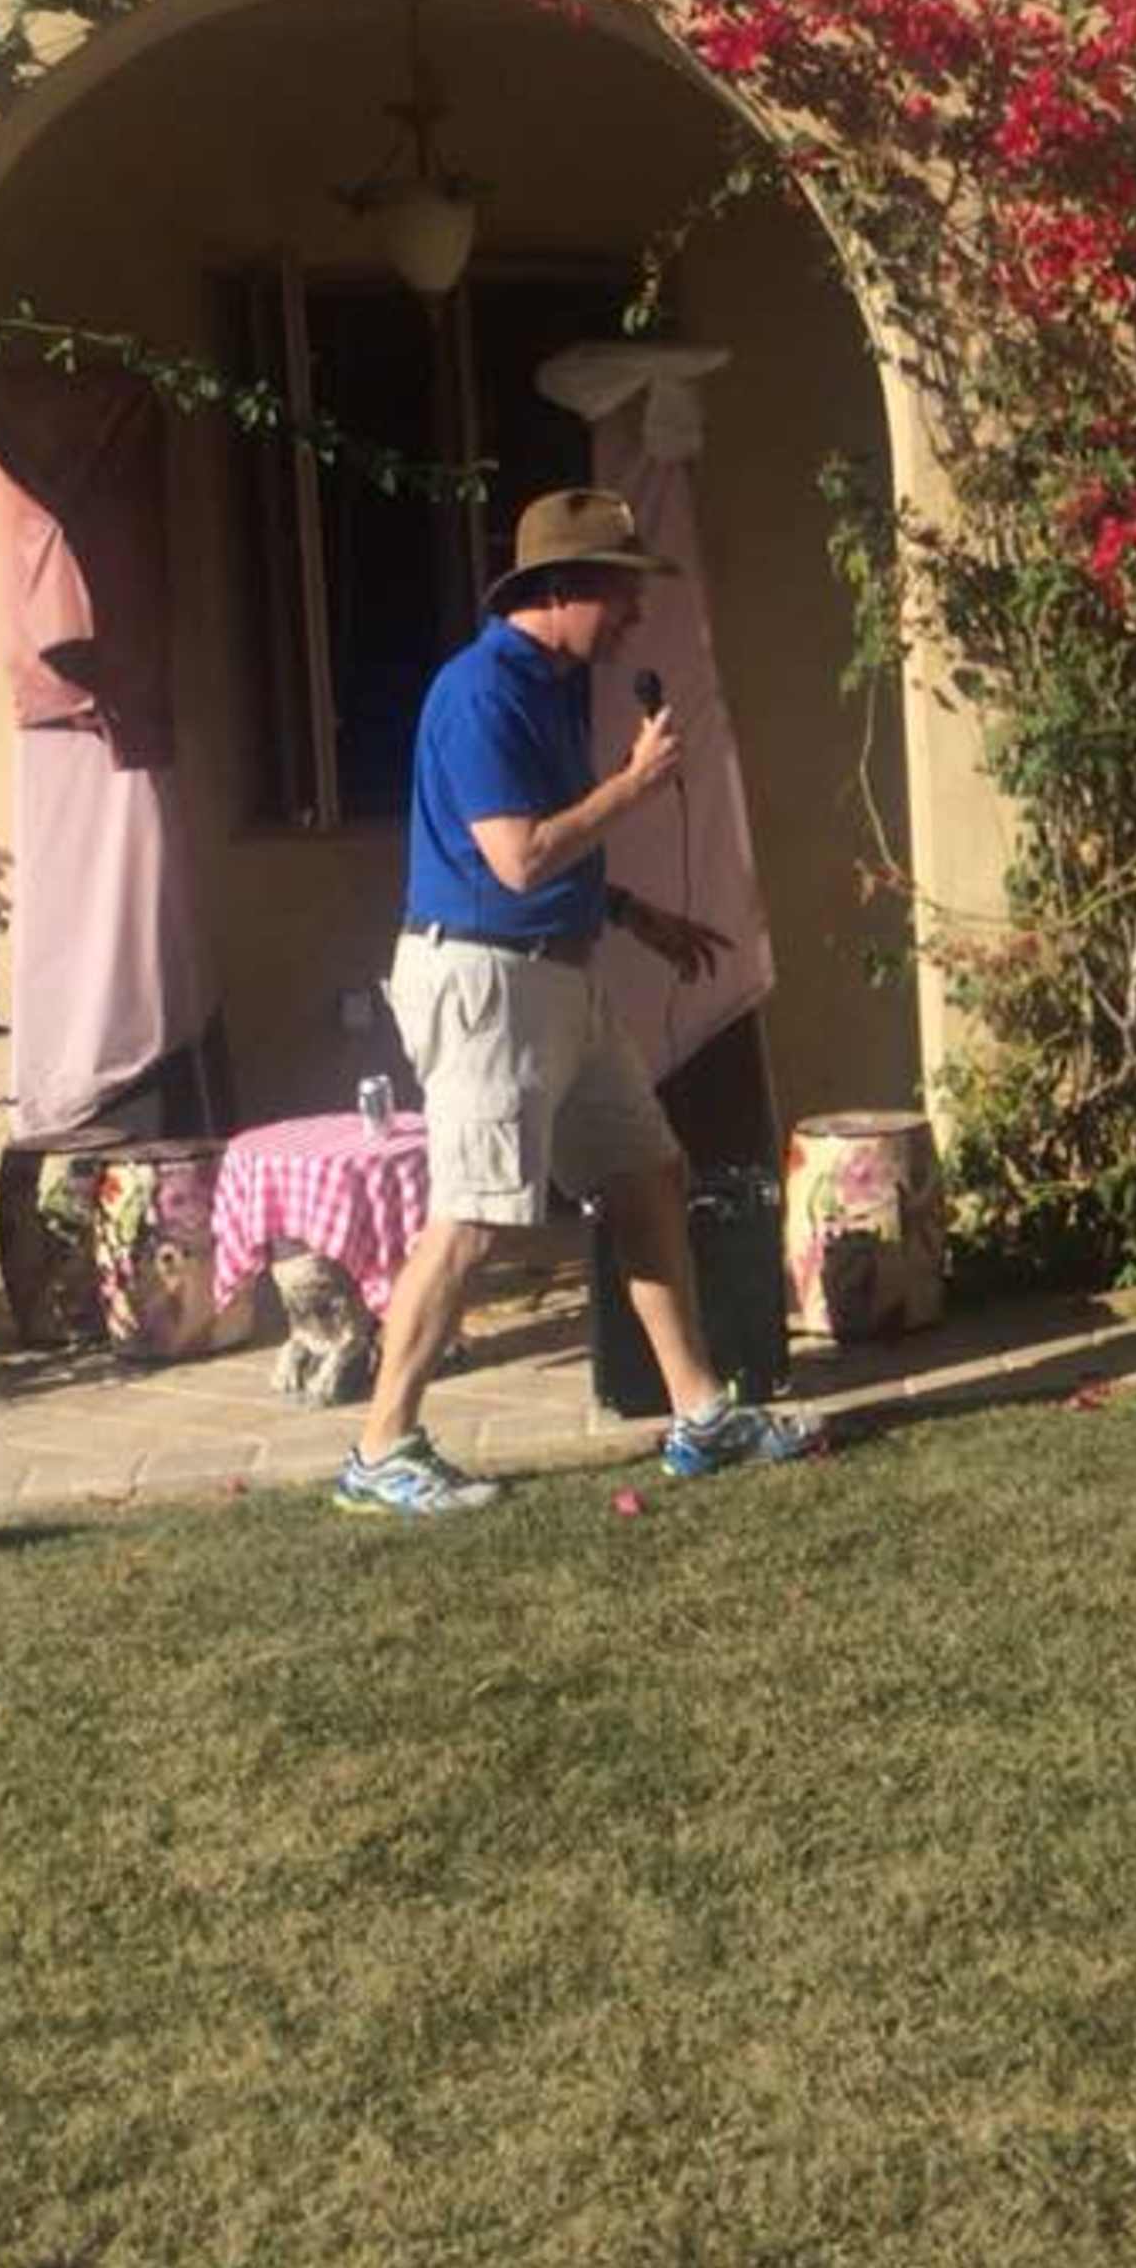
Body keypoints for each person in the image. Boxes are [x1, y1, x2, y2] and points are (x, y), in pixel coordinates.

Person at [338, 487, 820, 1516]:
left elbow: (551, 852)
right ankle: (380, 1448)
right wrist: (635, 785)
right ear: (559, 590)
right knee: (474, 1216)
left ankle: (700, 1415)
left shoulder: (549, 688)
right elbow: (517, 858)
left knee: (646, 1174)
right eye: (620, 591)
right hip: (486, 983)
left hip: (556, 974)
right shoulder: (479, 694)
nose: (635, 614)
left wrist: (635, 914)